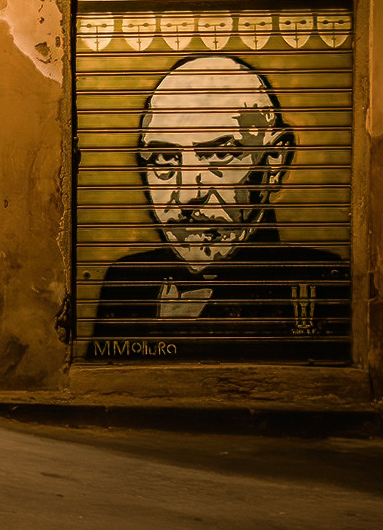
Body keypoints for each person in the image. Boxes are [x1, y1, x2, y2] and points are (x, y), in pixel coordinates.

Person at [93, 54, 348, 355]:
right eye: (164, 159)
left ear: (275, 162)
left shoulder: (324, 287)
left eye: (218, 156)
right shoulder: (127, 283)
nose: (187, 195)